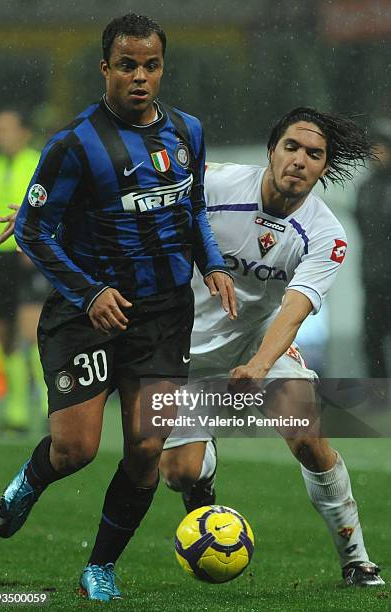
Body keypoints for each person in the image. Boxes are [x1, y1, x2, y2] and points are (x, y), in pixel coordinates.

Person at [0, 14, 235, 603]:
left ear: (161, 68)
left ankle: (99, 567)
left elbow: (194, 208)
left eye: (151, 65)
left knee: (147, 446)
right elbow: (32, 229)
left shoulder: (188, 131)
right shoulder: (73, 144)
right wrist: (91, 292)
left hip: (163, 314)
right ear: (106, 69)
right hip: (87, 315)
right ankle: (32, 478)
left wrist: (213, 264)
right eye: (127, 65)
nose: (140, 76)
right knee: (75, 450)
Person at [159, 108, 384, 587]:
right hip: (186, 355)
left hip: (261, 347)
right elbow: (136, 203)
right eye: (291, 147)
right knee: (179, 473)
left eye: (314, 154)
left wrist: (259, 366)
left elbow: (294, 309)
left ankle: (356, 558)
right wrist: (51, 219)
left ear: (325, 167)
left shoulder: (327, 234)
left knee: (307, 435)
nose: (300, 160)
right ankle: (205, 469)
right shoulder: (215, 186)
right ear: (271, 150)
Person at [0, 110, 43, 432]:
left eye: (7, 129)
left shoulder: (37, 163)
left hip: (27, 256)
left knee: (31, 333)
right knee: (5, 336)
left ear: (23, 133)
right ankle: (16, 413)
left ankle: (51, 409)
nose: (1, 135)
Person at [355, 118, 391, 386]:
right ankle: (379, 393)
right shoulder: (365, 188)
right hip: (373, 278)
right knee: (372, 337)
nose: (375, 154)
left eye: (381, 148)